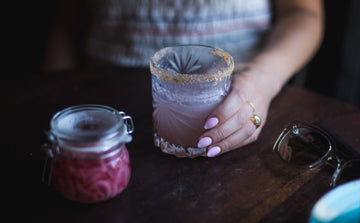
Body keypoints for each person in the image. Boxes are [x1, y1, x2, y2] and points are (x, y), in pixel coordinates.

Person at [43, 0, 324, 157]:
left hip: (236, 108)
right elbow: (68, 19)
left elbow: (302, 13)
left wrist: (262, 79)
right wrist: (52, 105)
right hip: (100, 121)